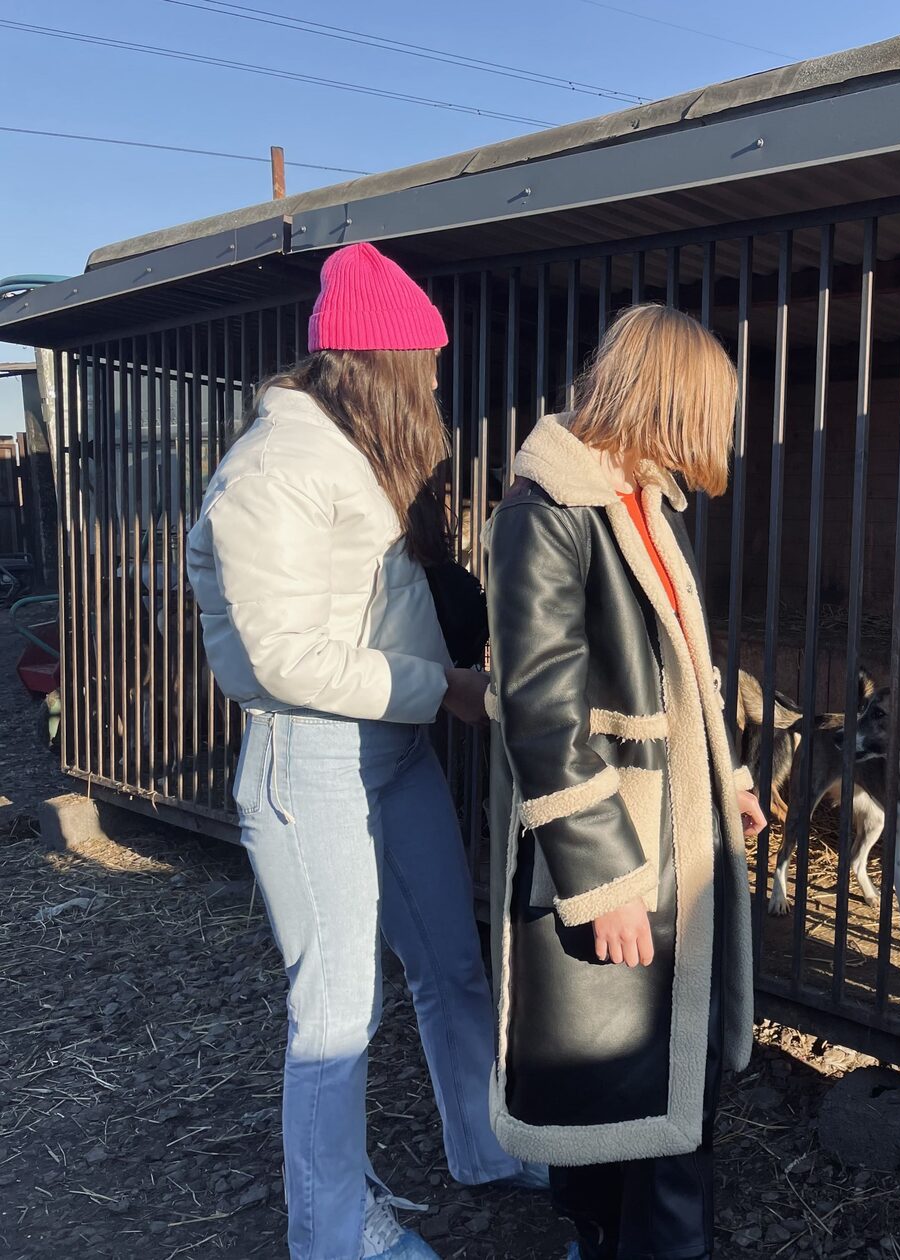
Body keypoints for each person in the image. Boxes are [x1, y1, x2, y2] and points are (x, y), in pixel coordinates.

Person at [186, 242, 545, 1260]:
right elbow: (283, 656)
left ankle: (487, 1146)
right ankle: (333, 1234)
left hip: (389, 758)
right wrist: (451, 689)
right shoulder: (274, 469)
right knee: (338, 1016)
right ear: (378, 364)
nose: (435, 384)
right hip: (310, 768)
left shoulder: (344, 459)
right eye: (425, 365)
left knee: (451, 970)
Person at [483, 302, 766, 1260]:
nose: (718, 435)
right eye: (711, 409)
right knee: (639, 1103)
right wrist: (602, 882)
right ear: (671, 399)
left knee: (660, 1102)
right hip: (622, 856)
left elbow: (682, 673)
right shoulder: (547, 511)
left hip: (668, 841)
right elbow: (541, 714)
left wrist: (724, 781)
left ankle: (610, 1240)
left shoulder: (637, 501)